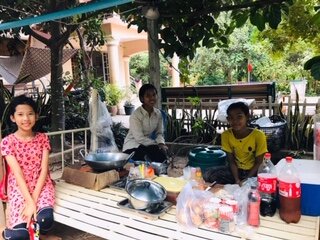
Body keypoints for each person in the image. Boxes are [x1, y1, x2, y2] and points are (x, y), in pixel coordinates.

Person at [0, 95, 60, 240]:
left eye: (30, 114)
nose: (26, 119)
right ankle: (4, 233)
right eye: (20, 114)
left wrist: (33, 202)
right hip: (20, 188)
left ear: (36, 116)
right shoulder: (7, 142)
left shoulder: (42, 138)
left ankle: (41, 235)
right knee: (21, 235)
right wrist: (29, 201)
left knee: (45, 219)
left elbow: (44, 170)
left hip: (41, 185)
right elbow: (18, 174)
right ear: (13, 118)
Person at [204, 101, 268, 185]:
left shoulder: (259, 135)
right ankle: (237, 182)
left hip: (254, 171)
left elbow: (259, 163)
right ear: (228, 119)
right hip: (236, 171)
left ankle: (246, 183)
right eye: (231, 118)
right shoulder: (226, 135)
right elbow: (231, 161)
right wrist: (237, 179)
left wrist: (247, 180)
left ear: (247, 117)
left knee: (266, 179)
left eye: (239, 117)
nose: (235, 121)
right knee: (208, 174)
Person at [123, 83, 168, 163]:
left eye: (154, 95)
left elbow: (159, 133)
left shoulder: (158, 114)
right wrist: (156, 145)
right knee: (145, 160)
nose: (152, 98)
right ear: (141, 98)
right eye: (148, 96)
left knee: (163, 158)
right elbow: (139, 138)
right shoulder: (136, 115)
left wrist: (161, 143)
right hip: (132, 145)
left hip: (147, 144)